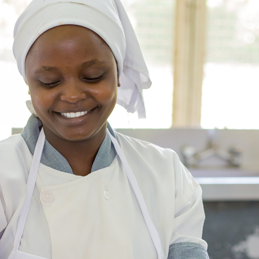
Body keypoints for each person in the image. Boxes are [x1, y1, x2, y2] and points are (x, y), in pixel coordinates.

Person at [0, 0, 210, 258]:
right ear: (29, 84)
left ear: (118, 74)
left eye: (93, 75)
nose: (73, 95)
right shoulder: (4, 173)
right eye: (49, 81)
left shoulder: (167, 175)